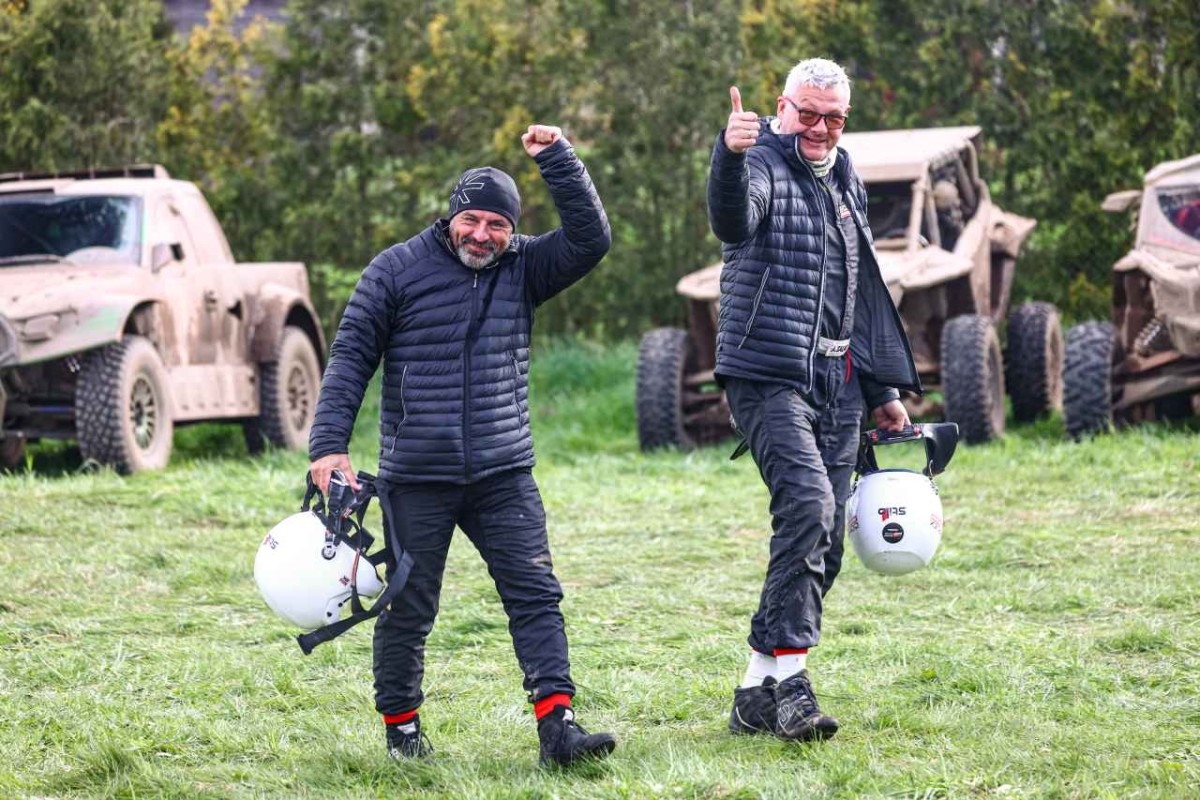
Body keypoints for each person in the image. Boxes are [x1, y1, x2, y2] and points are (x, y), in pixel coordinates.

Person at [307, 124, 617, 767]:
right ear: (450, 216)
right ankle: (402, 734)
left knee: (536, 595)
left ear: (511, 230)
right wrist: (327, 445)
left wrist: (557, 160)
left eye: (497, 225)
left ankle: (558, 729)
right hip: (416, 476)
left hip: (505, 472)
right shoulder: (394, 271)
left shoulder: (526, 266)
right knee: (408, 610)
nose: (482, 235)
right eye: (471, 220)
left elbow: (592, 238)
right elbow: (348, 360)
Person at [707, 58, 922, 741]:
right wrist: (729, 156)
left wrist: (882, 390)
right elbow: (735, 220)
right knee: (807, 506)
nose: (821, 129)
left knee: (824, 537)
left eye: (834, 118)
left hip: (840, 379)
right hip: (766, 373)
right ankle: (795, 687)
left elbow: (857, 283)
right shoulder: (763, 161)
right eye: (808, 113)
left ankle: (754, 690)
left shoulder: (845, 171)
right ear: (781, 106)